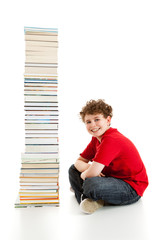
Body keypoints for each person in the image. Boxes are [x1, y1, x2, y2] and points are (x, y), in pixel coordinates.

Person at [68, 99, 149, 214]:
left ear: (108, 120)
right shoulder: (96, 139)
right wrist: (87, 170)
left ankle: (82, 192)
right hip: (111, 179)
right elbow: (79, 162)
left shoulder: (111, 139)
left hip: (131, 188)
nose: (93, 125)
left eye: (97, 119)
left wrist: (84, 174)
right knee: (72, 169)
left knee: (91, 183)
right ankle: (88, 197)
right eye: (88, 122)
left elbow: (91, 174)